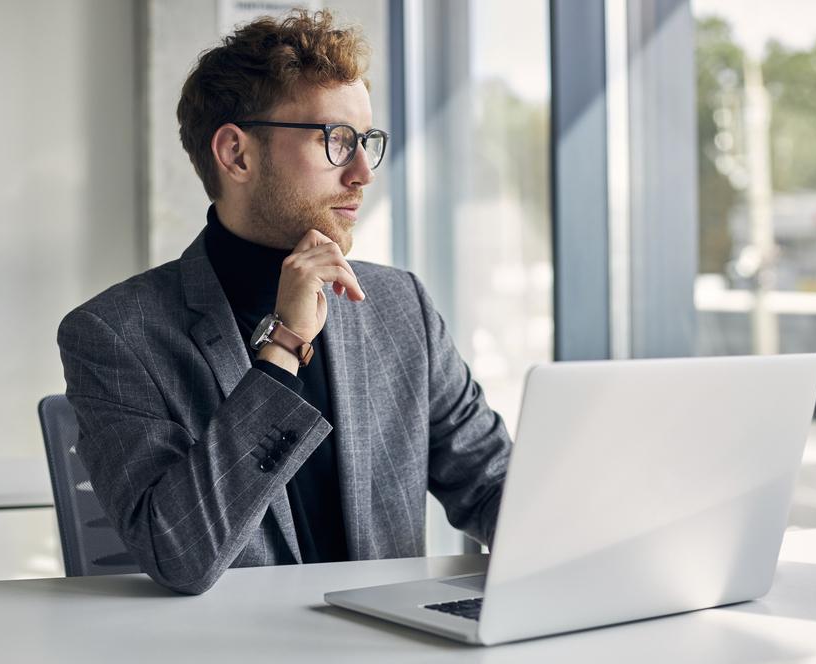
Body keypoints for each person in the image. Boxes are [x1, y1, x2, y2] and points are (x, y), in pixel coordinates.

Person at [57, 9, 511, 595]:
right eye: (336, 141)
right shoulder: (115, 334)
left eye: (366, 141)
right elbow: (177, 554)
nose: (362, 174)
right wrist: (284, 348)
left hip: (395, 645)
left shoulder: (401, 307)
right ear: (237, 154)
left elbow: (492, 485)